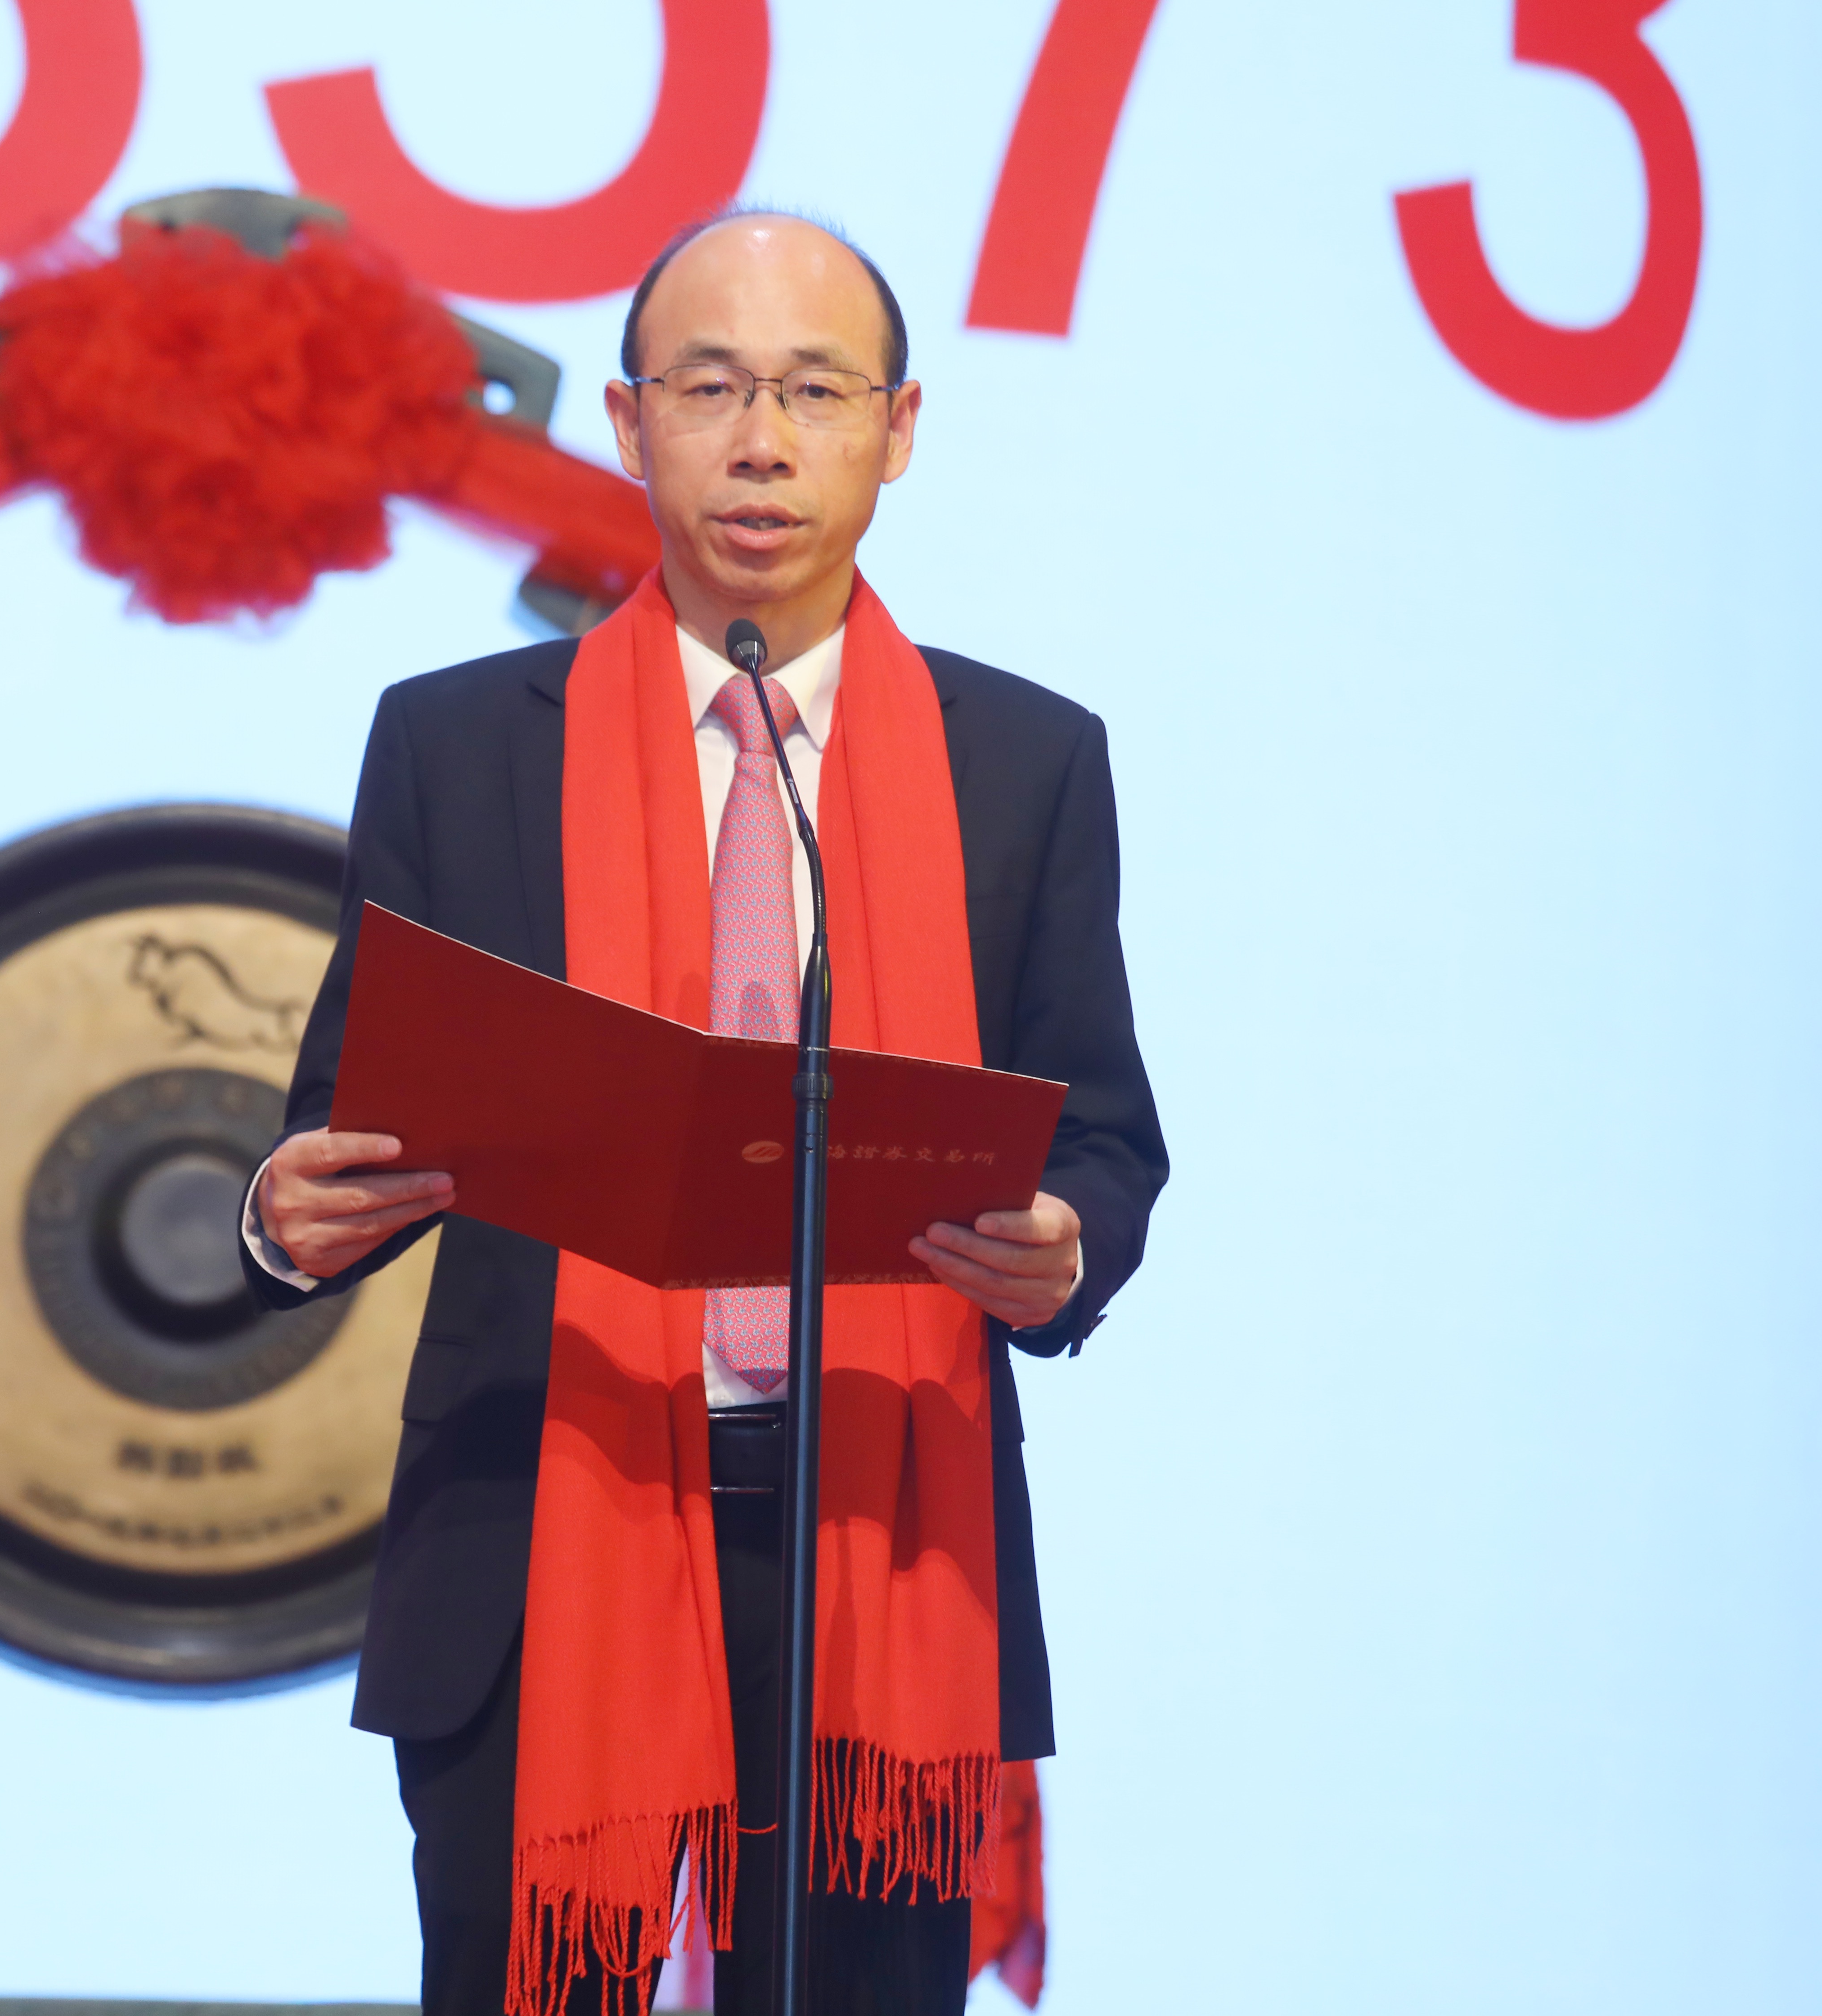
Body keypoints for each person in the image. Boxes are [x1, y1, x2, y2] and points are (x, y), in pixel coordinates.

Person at [241, 212, 1166, 2016]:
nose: (762, 443)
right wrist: (285, 1220)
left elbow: (1105, 1133)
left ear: (899, 429)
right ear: (628, 421)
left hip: (880, 1547)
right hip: (539, 1537)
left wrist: (1069, 1248)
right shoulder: (459, 745)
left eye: (815, 393)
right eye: (713, 389)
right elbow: (346, 1120)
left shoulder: (1026, 763)